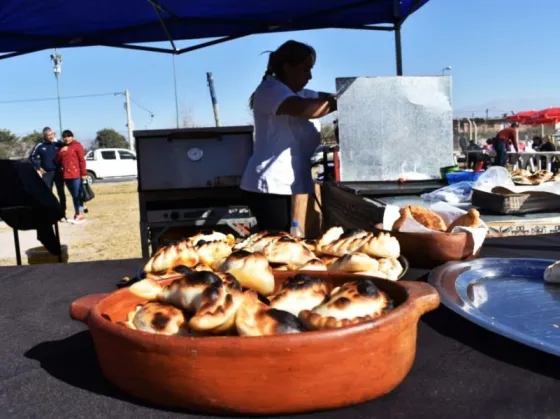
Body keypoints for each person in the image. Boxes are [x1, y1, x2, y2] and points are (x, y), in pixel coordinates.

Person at [240, 40, 337, 231]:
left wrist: (346, 95)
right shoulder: (270, 90)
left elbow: (323, 98)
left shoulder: (302, 92)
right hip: (270, 187)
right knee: (278, 244)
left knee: (295, 242)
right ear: (287, 67)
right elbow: (307, 109)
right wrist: (336, 103)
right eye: (305, 69)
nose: (310, 76)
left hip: (292, 185)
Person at [29, 127, 67, 219]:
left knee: (61, 193)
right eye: (48, 135)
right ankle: (50, 213)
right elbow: (31, 157)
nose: (50, 137)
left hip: (58, 172)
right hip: (47, 173)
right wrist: (38, 167)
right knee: (47, 193)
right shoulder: (40, 145)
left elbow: (69, 149)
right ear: (44, 136)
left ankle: (62, 213)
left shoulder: (58, 144)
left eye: (52, 134)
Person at [54, 130, 87, 222]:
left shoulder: (77, 146)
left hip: (76, 175)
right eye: (64, 137)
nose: (66, 138)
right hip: (66, 175)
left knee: (77, 195)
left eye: (68, 136)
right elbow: (56, 161)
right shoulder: (62, 147)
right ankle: (78, 213)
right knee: (73, 195)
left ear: (72, 137)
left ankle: (79, 214)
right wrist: (61, 152)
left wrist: (84, 173)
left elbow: (82, 160)